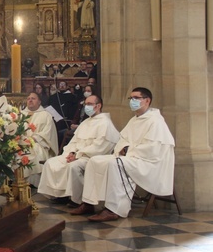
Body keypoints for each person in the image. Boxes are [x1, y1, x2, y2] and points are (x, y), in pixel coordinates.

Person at [74, 87, 175, 222]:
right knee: (95, 161)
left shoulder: (155, 121)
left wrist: (128, 150)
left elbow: (154, 149)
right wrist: (123, 148)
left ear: (147, 100)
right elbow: (122, 140)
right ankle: (89, 203)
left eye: (136, 98)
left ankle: (113, 209)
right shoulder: (134, 120)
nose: (132, 101)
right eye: (130, 98)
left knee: (116, 163)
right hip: (133, 157)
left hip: (149, 162)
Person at [38, 94, 120, 207]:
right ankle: (61, 195)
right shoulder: (85, 122)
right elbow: (74, 142)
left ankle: (76, 199)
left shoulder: (105, 123)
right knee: (51, 163)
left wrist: (78, 154)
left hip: (90, 157)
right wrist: (70, 153)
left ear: (98, 106)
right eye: (86, 104)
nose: (87, 107)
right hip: (75, 154)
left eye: (90, 104)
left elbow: (100, 146)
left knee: (73, 167)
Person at [22, 92, 59, 185]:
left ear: (39, 101)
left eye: (33, 98)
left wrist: (33, 139)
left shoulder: (46, 115)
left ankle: (31, 183)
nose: (30, 100)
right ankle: (16, 180)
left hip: (39, 144)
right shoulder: (21, 114)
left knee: (32, 151)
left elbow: (47, 133)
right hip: (21, 142)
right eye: (28, 98)